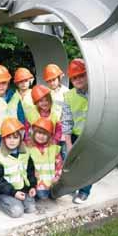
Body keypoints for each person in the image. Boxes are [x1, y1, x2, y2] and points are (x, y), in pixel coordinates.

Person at [0, 117, 37, 218]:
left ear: (20, 138)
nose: (12, 141)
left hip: (21, 189)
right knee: (17, 211)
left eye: (15, 137)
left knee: (31, 208)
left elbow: (30, 171)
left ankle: (17, 201)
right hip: (5, 192)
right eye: (8, 137)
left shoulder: (25, 153)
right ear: (3, 138)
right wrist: (13, 192)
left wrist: (32, 186)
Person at [61, 58, 91, 204]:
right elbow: (66, 120)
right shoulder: (69, 96)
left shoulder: (97, 92)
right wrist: (68, 142)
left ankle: (84, 191)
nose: (78, 79)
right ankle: (73, 185)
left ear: (87, 75)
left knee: (87, 164)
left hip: (91, 136)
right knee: (71, 163)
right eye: (74, 78)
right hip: (75, 135)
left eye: (81, 76)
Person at [0, 64, 26, 152]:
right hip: (0, 139)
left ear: (8, 82)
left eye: (4, 83)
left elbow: (21, 118)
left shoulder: (15, 95)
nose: (1, 86)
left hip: (16, 136)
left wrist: (22, 137)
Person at [27, 117, 63, 200]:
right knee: (42, 195)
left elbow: (59, 164)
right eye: (39, 133)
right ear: (34, 133)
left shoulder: (53, 148)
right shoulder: (29, 149)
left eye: (45, 134)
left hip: (52, 181)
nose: (41, 136)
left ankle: (50, 193)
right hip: (37, 183)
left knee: (56, 194)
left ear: (50, 135)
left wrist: (57, 177)